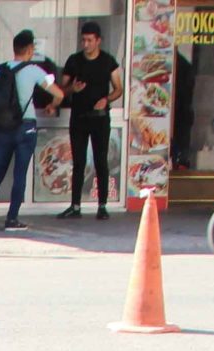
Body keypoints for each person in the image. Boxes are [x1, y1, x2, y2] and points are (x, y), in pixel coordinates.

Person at [0, 30, 59, 230]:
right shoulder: (35, 71)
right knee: (20, 174)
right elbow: (59, 93)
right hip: (25, 127)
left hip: (2, 128)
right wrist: (52, 105)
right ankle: (12, 219)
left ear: (14, 49)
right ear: (30, 49)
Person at [58, 22, 121, 217]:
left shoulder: (108, 61)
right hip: (79, 117)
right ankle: (75, 206)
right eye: (83, 40)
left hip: (100, 118)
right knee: (78, 162)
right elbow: (60, 89)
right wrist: (72, 90)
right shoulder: (74, 61)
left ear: (98, 41)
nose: (86, 44)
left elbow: (118, 88)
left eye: (90, 40)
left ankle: (102, 206)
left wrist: (106, 99)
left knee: (101, 161)